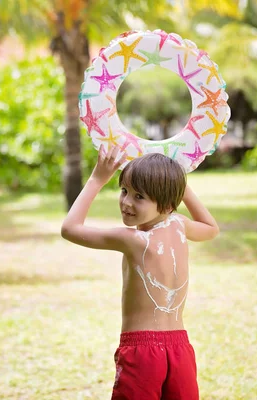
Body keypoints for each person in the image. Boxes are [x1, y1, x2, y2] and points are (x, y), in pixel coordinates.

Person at [61, 144, 220, 399]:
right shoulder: (180, 224)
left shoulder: (133, 240)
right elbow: (211, 228)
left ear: (167, 204)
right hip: (180, 349)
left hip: (142, 350)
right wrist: (181, 185)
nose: (126, 202)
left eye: (139, 197)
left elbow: (70, 228)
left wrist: (96, 180)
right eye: (124, 191)